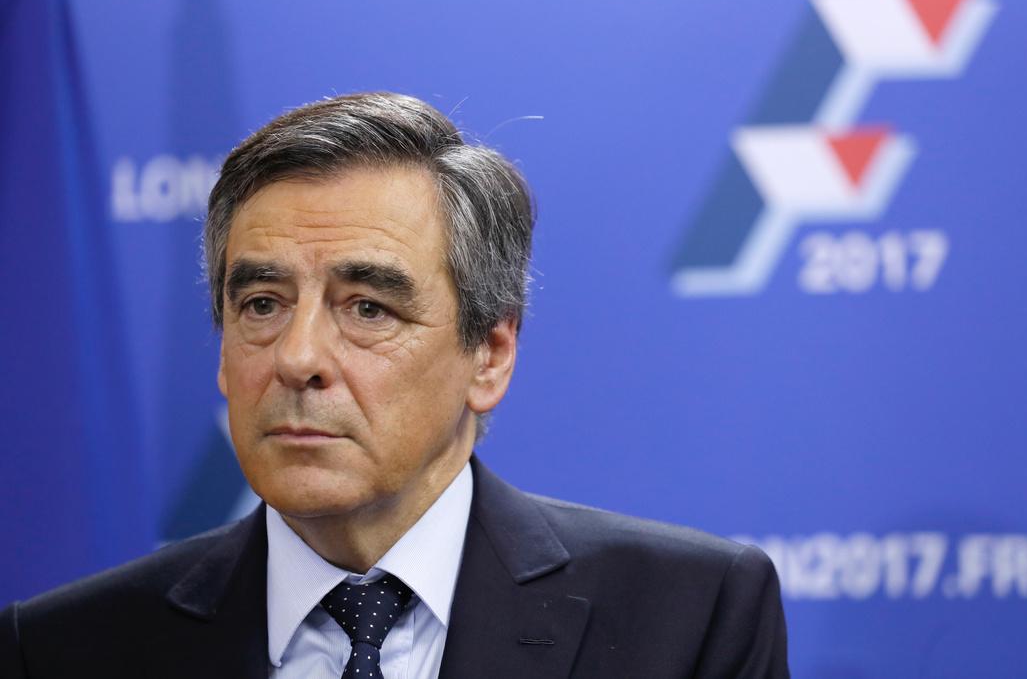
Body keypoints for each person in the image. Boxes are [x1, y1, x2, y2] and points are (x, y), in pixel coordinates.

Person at [0, 92, 788, 678]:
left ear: (491, 354)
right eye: (262, 304)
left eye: (368, 307)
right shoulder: (65, 649)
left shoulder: (688, 619)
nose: (297, 357)